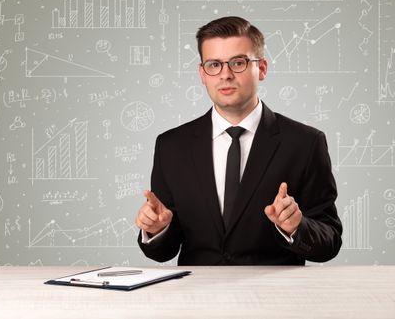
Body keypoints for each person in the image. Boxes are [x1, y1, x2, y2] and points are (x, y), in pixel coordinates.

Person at [135, 16, 342, 265]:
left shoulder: (305, 143)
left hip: (274, 296)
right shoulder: (171, 146)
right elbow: (163, 251)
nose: (226, 75)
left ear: (262, 68)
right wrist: (157, 230)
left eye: (238, 63)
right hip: (196, 296)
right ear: (202, 73)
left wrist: (296, 227)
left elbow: (330, 241)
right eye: (214, 65)